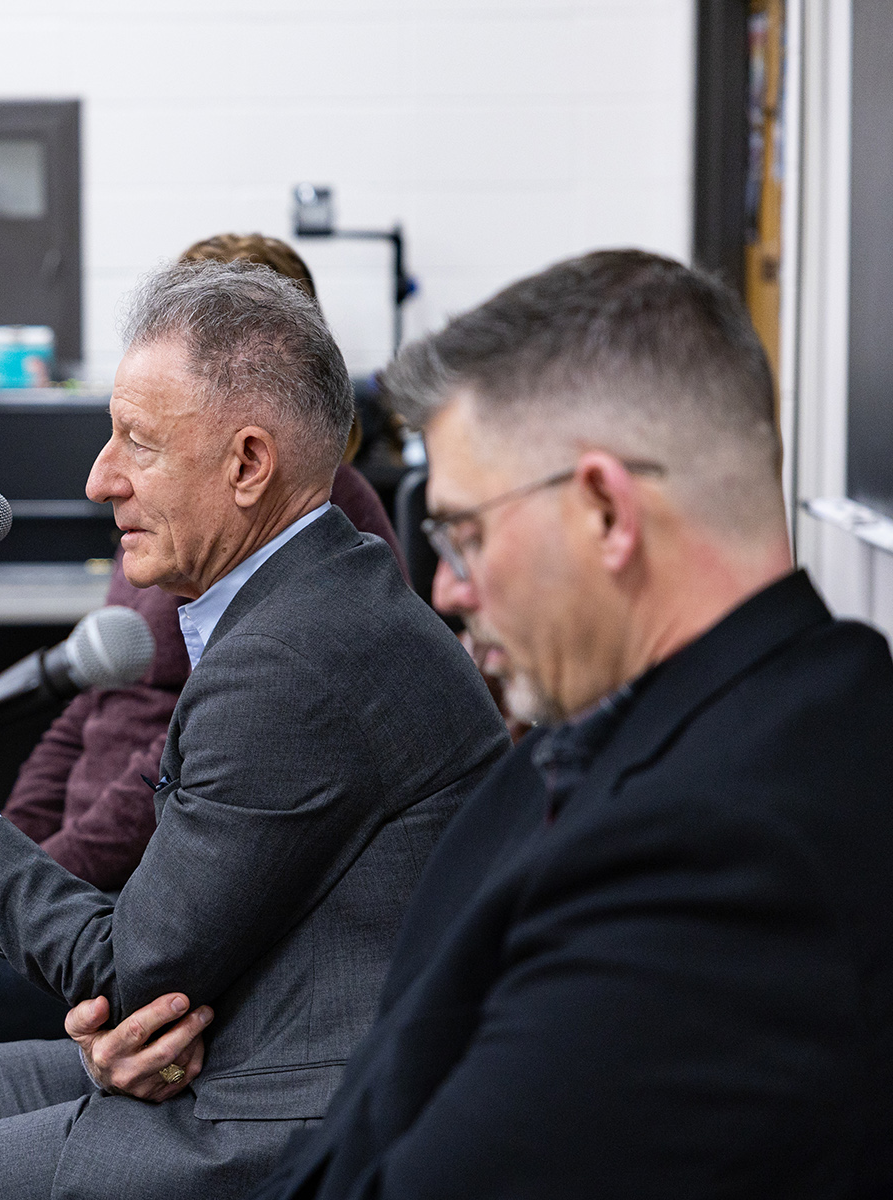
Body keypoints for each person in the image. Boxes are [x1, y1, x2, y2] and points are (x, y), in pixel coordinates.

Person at [85, 250, 893, 1197]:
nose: (447, 588)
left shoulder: (717, 845)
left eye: (465, 534)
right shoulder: (675, 728)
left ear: (604, 511)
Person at [0, 260, 509, 1199]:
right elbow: (175, 939)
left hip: (262, 1121)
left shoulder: (291, 659)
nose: (98, 478)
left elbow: (131, 963)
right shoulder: (311, 595)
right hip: (222, 1048)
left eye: (137, 443)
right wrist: (121, 1018)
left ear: (246, 464)